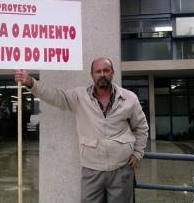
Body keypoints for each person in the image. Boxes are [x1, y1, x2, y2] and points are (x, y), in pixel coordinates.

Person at [15, 57, 149, 203]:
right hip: (91, 169)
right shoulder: (80, 96)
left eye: (106, 70)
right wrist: (31, 83)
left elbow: (141, 127)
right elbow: (55, 96)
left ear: (113, 73)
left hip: (122, 168)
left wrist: (138, 152)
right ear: (92, 74)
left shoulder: (129, 98)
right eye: (98, 71)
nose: (102, 74)